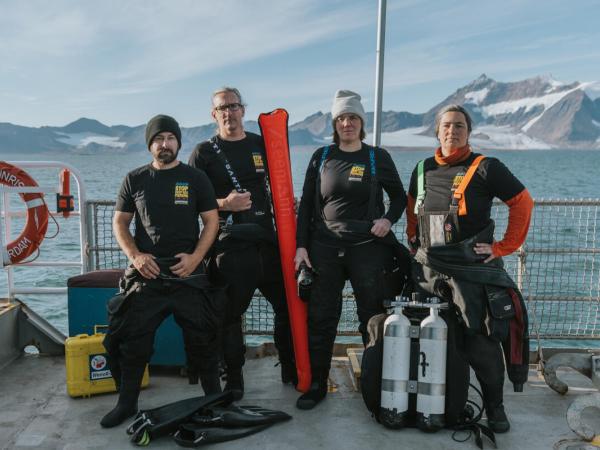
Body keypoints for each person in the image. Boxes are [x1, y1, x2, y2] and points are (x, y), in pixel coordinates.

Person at [406, 104, 534, 433]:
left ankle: (495, 407)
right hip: (428, 272)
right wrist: (412, 240)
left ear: (468, 131)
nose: (453, 130)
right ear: (437, 131)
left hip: (471, 274)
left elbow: (522, 202)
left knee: (481, 342)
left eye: (460, 125)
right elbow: (411, 210)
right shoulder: (421, 170)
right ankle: (437, 402)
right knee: (431, 339)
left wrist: (504, 247)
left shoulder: (487, 167)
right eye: (447, 125)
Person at [101, 114, 221, 428]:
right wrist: (136, 256)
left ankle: (213, 400)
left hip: (187, 272)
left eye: (170, 138)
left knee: (203, 341)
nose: (164, 144)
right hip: (147, 274)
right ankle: (126, 404)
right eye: (158, 139)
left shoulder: (195, 178)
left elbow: (212, 221)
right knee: (131, 342)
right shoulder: (135, 179)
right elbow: (119, 223)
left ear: (178, 143)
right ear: (150, 145)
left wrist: (196, 258)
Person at [294, 90, 407, 410]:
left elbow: (399, 198)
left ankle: (375, 384)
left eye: (353, 117)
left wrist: (387, 220)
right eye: (341, 118)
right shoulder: (321, 156)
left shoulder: (377, 157)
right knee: (321, 317)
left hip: (367, 249)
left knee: (371, 317)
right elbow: (305, 208)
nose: (347, 123)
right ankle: (318, 383)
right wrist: (301, 247)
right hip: (324, 249)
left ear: (362, 122)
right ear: (334, 123)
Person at [188, 87, 295, 401]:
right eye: (222, 108)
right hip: (231, 247)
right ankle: (234, 378)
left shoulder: (261, 145)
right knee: (230, 316)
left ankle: (289, 367)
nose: (228, 112)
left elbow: (278, 185)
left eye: (234, 106)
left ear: (243, 110)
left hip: (268, 242)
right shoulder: (204, 152)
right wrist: (224, 203)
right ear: (214, 114)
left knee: (287, 307)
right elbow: (193, 202)